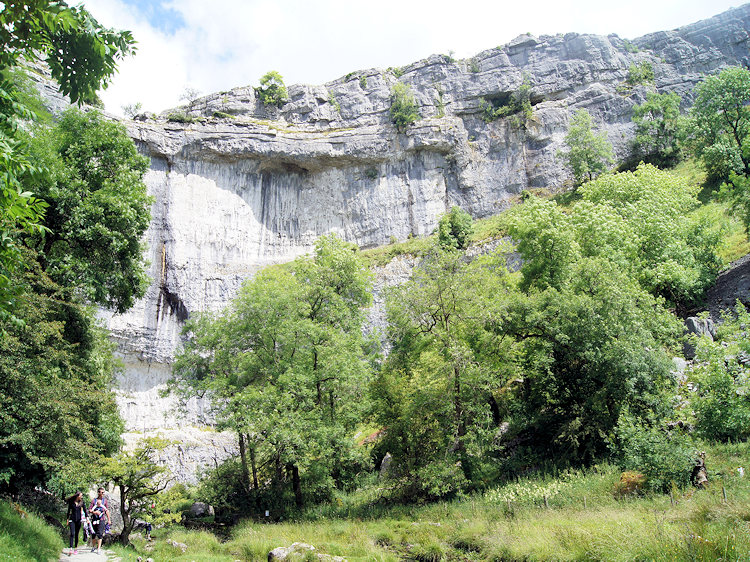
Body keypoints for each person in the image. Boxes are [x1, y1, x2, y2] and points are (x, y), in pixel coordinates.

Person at [65, 491, 86, 556]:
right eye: (81, 495)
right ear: (78, 496)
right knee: (72, 533)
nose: (81, 497)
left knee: (76, 534)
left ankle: (75, 548)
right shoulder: (71, 503)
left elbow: (85, 510)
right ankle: (71, 548)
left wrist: (87, 518)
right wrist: (67, 519)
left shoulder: (82, 502)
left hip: (79, 520)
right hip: (72, 520)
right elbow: (69, 511)